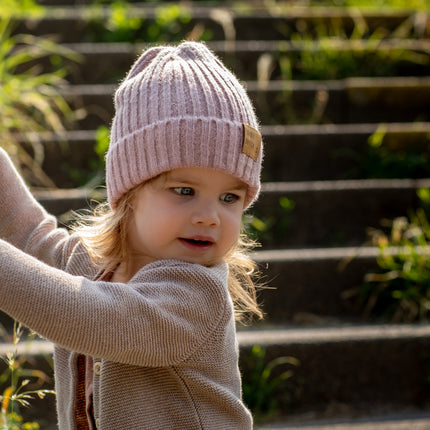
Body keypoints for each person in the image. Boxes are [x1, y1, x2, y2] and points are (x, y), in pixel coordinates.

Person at [0, 41, 263, 429]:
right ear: (130, 193)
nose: (210, 217)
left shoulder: (196, 295)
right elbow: (32, 237)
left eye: (229, 197)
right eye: (185, 191)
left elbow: (89, 313)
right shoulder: (92, 263)